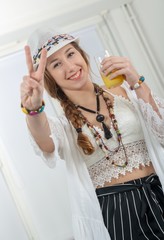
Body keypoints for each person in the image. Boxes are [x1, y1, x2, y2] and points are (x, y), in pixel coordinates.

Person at [20, 28, 164, 240]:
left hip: (158, 191)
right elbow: (45, 143)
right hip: (118, 212)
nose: (69, 67)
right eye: (56, 64)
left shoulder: (126, 93)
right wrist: (33, 109)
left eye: (70, 54)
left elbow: (161, 130)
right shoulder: (64, 125)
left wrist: (137, 81)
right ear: (49, 78)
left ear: (82, 55)